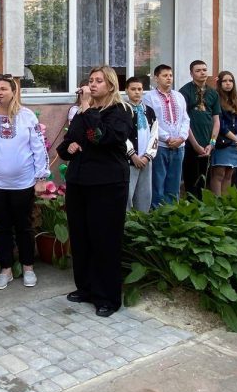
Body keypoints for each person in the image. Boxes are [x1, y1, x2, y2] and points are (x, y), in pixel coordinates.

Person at [56, 66, 133, 317]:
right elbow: (65, 146)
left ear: (110, 85)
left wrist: (87, 108)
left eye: (99, 81)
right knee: (81, 237)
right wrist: (70, 147)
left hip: (107, 184)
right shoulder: (83, 113)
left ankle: (107, 297)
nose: (92, 84)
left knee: (105, 239)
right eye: (90, 80)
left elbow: (101, 137)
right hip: (80, 183)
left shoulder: (120, 111)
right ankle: (86, 288)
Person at [0, 73, 49, 290]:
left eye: (3, 89)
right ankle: (6, 269)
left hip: (22, 184)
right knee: (1, 228)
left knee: (24, 226)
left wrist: (41, 177)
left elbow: (39, 147)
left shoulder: (27, 116)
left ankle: (28, 267)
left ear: (14, 92)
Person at [143, 64, 189, 207]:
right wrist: (167, 138)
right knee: (158, 181)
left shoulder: (179, 96)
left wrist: (182, 137)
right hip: (160, 146)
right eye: (165, 75)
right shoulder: (149, 97)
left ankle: (172, 211)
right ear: (156, 78)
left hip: (179, 146)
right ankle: (157, 212)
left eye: (170, 75)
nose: (169, 78)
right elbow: (152, 121)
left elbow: (185, 119)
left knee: (174, 182)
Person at [179, 60, 221, 198]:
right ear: (191, 73)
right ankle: (191, 208)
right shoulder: (184, 92)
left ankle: (203, 209)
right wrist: (195, 145)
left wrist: (212, 143)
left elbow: (216, 120)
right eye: (198, 70)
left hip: (208, 144)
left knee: (204, 181)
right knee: (191, 181)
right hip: (190, 144)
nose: (202, 73)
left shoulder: (213, 93)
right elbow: (184, 121)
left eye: (204, 70)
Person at [209, 71, 237, 196]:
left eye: (230, 81)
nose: (228, 83)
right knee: (219, 173)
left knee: (229, 173)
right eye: (225, 81)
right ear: (219, 83)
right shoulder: (216, 99)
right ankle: (216, 202)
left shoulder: (236, 100)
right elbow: (221, 125)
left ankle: (225, 202)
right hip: (223, 141)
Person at [124, 77, 158, 212]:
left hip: (145, 160)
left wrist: (147, 156)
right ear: (126, 90)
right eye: (133, 89)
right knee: (127, 194)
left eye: (139, 89)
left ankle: (142, 219)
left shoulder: (149, 111)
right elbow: (122, 135)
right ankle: (126, 221)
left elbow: (154, 135)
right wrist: (132, 155)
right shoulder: (123, 110)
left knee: (144, 195)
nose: (137, 92)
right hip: (129, 160)